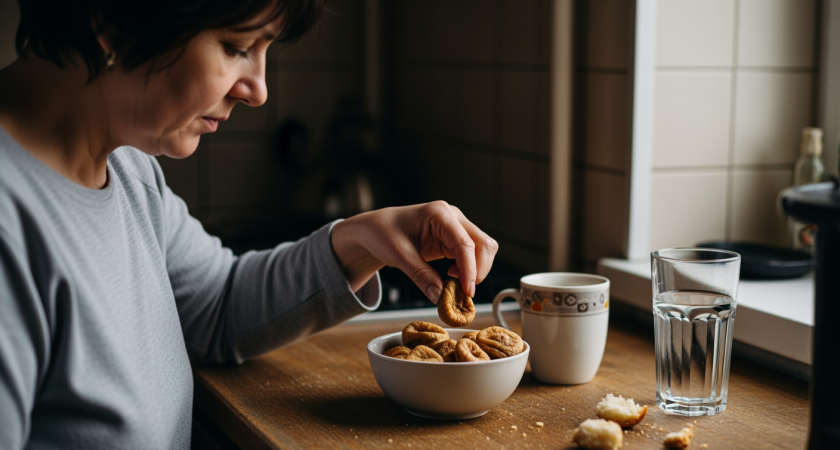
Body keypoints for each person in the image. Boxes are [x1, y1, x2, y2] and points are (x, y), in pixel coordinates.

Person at [0, 0, 499, 448]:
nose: (258, 90)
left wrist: (362, 239)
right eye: (236, 46)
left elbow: (216, 306)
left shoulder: (129, 170)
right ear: (109, 20)